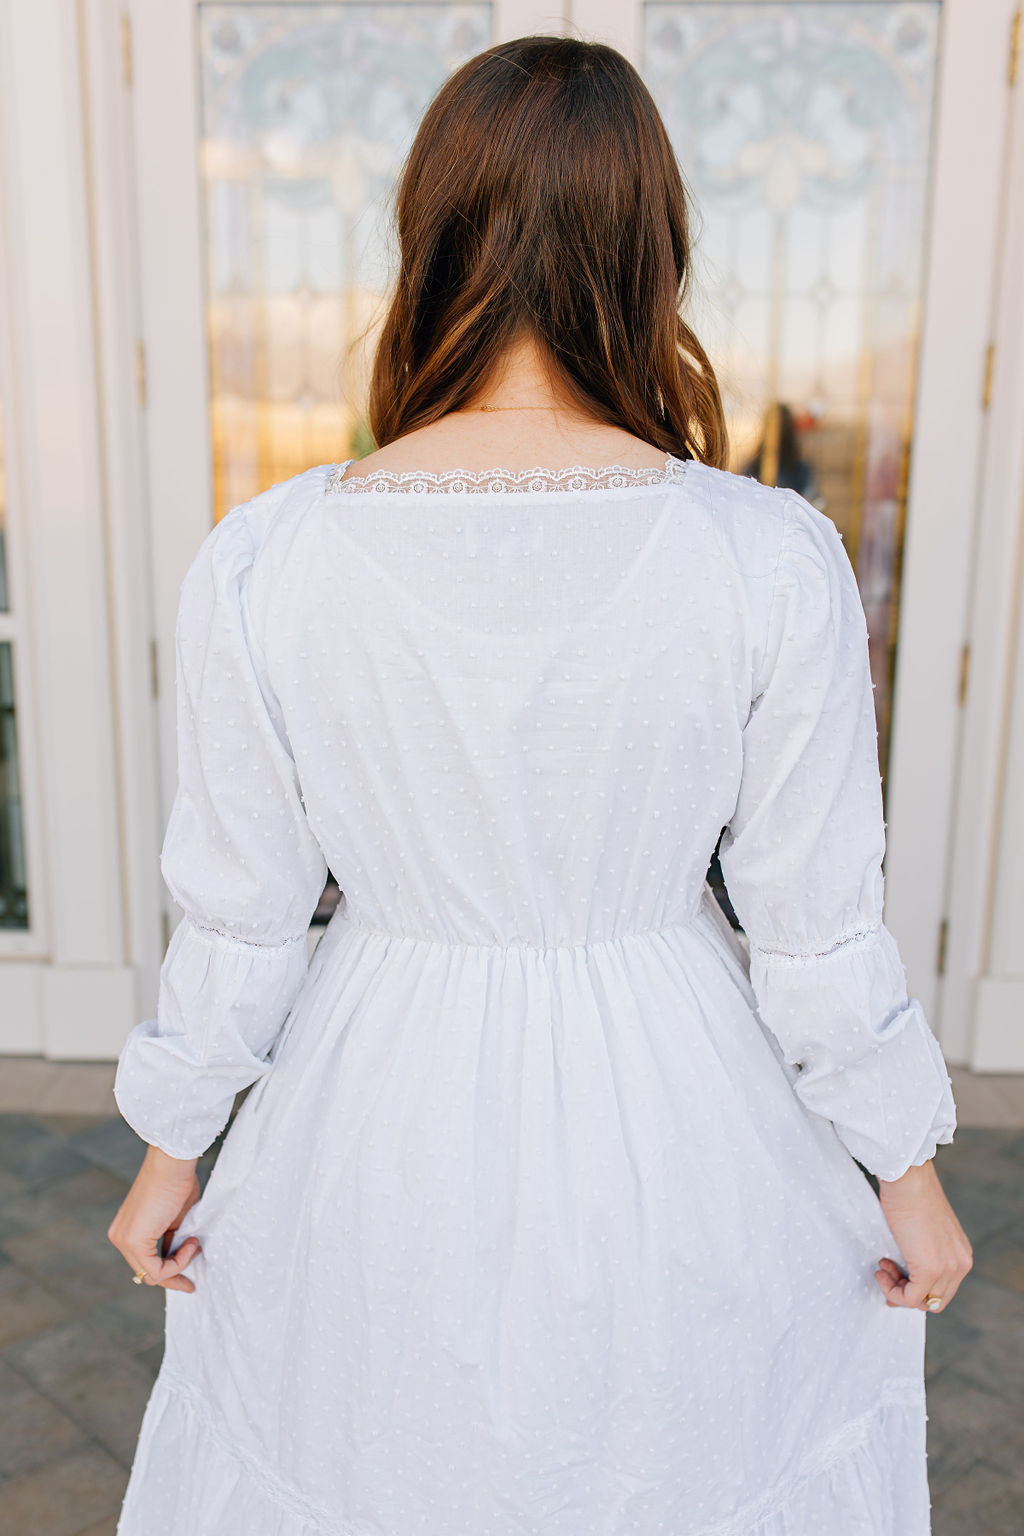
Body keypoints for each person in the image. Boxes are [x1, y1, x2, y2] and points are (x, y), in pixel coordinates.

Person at [108, 34, 970, 1535]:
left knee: (375, 1459)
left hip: (373, 1101)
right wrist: (907, 1173)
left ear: (428, 237)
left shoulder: (270, 556)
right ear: (655, 251)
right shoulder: (765, 557)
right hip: (676, 1104)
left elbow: (245, 916)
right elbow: (811, 927)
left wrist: (169, 1152)